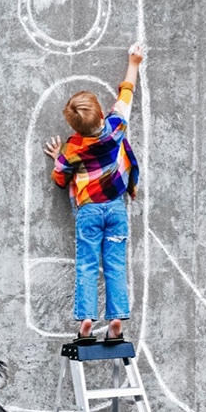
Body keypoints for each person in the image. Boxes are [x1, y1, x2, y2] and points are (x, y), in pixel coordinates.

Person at [44, 44, 144, 345]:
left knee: (87, 265)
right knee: (115, 265)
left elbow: (60, 177)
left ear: (74, 126)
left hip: (88, 212)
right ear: (101, 112)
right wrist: (133, 62)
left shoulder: (74, 147)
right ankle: (115, 321)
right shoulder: (116, 127)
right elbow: (127, 94)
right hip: (115, 209)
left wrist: (58, 156)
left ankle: (87, 320)